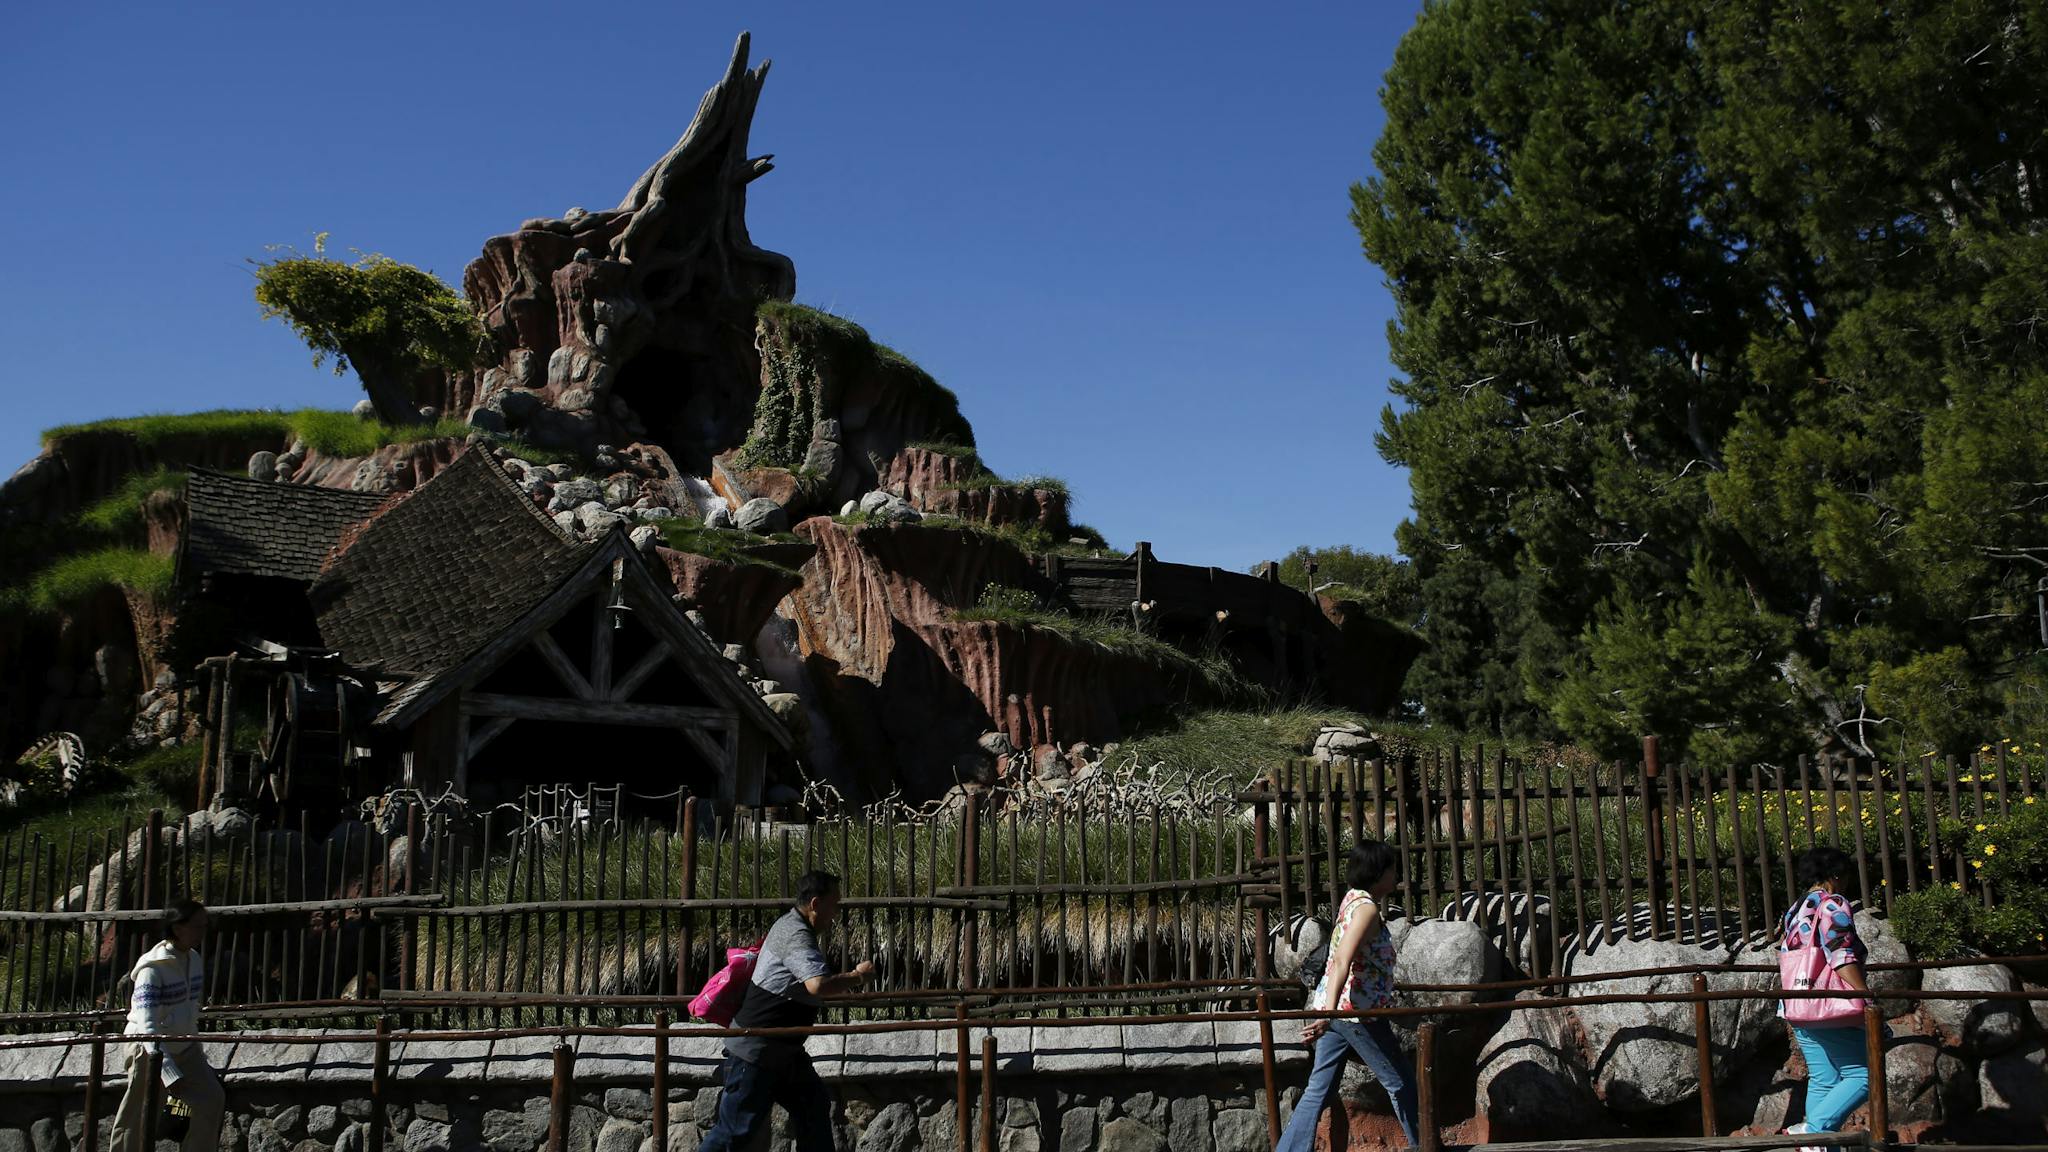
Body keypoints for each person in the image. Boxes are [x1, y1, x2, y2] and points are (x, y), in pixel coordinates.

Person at [700, 870, 875, 1152]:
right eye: (834, 904)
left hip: (783, 1052)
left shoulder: (792, 927)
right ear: (816, 904)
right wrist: (858, 976)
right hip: (756, 1051)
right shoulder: (795, 934)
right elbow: (817, 985)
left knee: (813, 1107)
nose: (836, 912)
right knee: (732, 1134)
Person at [1276, 840, 1420, 1151]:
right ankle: (1424, 1144)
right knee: (1401, 1081)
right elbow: (1342, 958)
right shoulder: (1366, 908)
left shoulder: (1352, 900)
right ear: (1378, 872)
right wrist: (1329, 1015)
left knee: (1319, 1089)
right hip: (1355, 1013)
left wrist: (1327, 1012)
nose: (1396, 874)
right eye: (1393, 869)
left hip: (1340, 1008)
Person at [1779, 846, 1871, 1150]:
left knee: (1825, 1078)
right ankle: (1812, 1132)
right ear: (1835, 874)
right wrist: (1864, 994)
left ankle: (1819, 1146)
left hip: (1797, 1002)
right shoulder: (1834, 904)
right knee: (1865, 1074)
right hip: (1829, 1004)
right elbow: (1840, 954)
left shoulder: (1795, 908)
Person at [112, 898, 222, 1152]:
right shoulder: (153, 969)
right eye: (197, 927)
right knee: (139, 1116)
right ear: (178, 928)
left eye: (204, 926)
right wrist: (166, 1070)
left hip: (184, 1046)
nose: (202, 933)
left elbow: (189, 1010)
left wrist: (195, 1050)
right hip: (148, 1049)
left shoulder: (193, 960)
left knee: (210, 1099)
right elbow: (146, 1022)